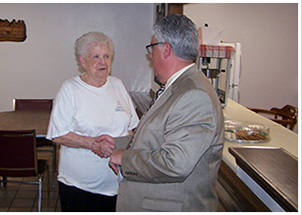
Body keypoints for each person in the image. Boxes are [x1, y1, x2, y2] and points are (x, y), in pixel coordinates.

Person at [108, 14, 224, 212]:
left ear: (166, 49)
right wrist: (114, 145)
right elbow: (157, 138)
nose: (150, 56)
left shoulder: (194, 94)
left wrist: (124, 159)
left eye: (152, 48)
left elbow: (175, 163)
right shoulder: (179, 87)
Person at [46, 31, 139, 212]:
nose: (102, 62)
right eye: (95, 57)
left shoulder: (118, 84)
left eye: (106, 56)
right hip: (80, 187)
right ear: (83, 61)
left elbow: (130, 129)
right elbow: (58, 135)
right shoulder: (70, 89)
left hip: (118, 184)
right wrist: (94, 144)